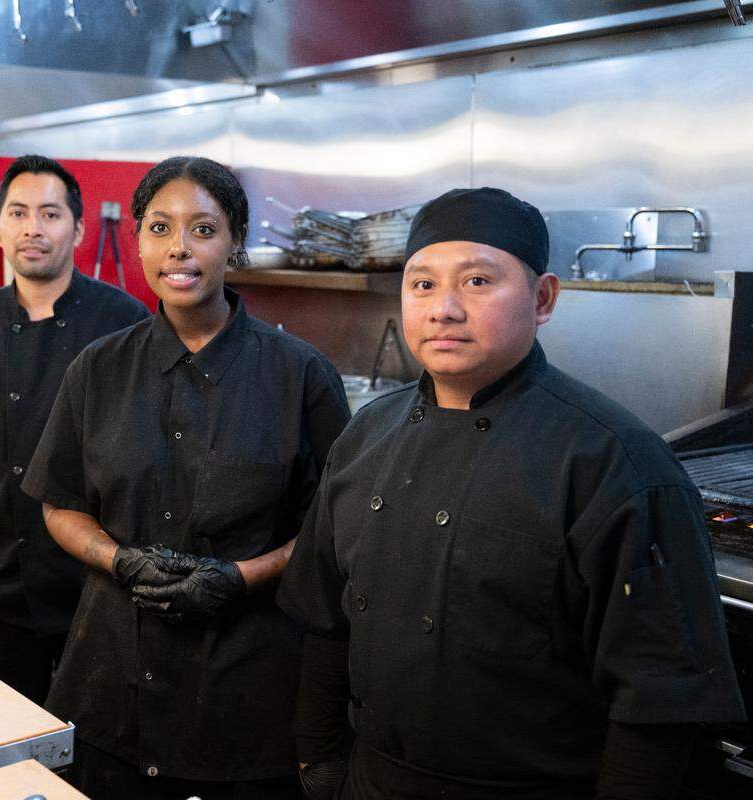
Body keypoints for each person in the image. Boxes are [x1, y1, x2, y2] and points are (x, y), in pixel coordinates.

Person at [278, 187, 745, 799]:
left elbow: (656, 703)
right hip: (374, 780)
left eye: (476, 282)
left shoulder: (613, 463)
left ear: (544, 298)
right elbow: (325, 619)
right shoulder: (366, 434)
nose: (443, 308)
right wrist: (318, 765)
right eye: (422, 284)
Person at [21, 156, 352, 798]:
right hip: (111, 684)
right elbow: (59, 504)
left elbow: (330, 528)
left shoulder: (300, 375)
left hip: (247, 693)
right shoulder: (98, 369)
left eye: (203, 229)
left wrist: (237, 578)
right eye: (159, 228)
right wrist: (119, 561)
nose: (180, 248)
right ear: (140, 238)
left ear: (236, 240)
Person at [0, 155, 148, 703]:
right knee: (9, 742)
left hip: (97, 585)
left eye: (50, 214)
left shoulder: (125, 324)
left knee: (99, 748)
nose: (33, 228)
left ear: (77, 230)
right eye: (18, 213)